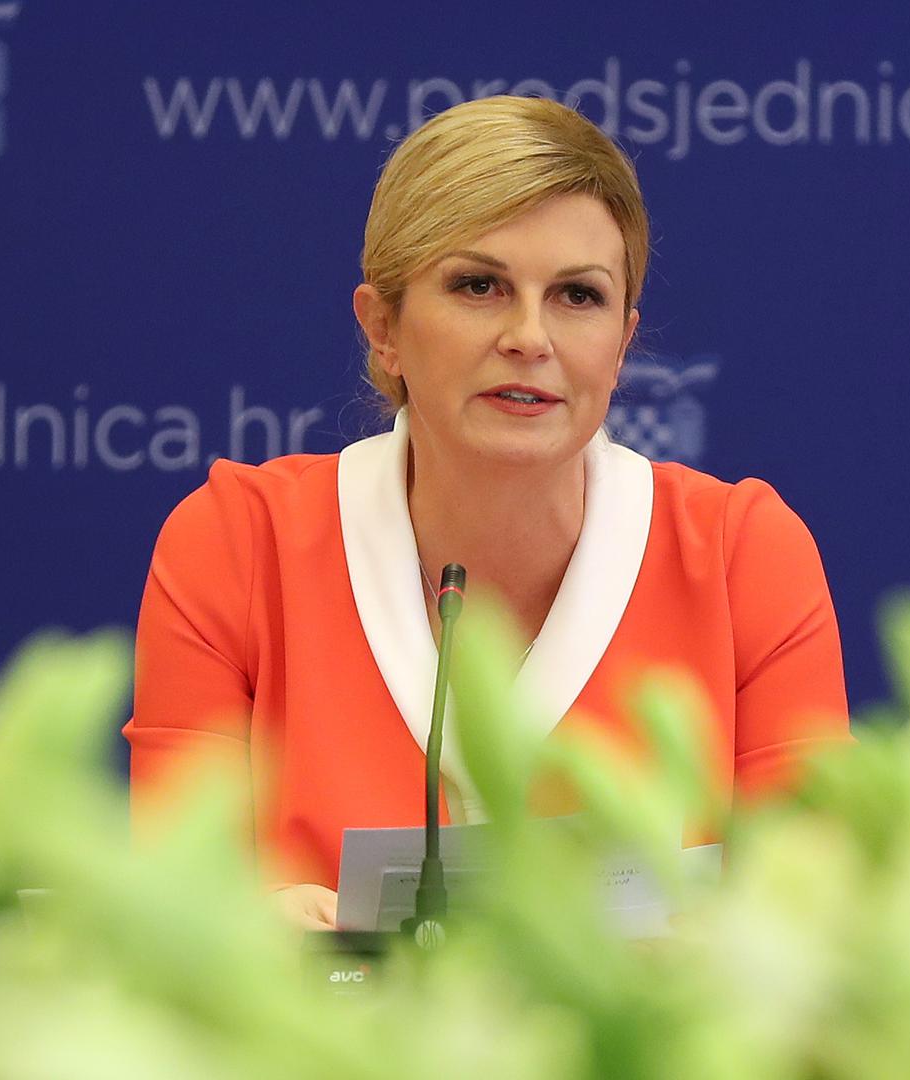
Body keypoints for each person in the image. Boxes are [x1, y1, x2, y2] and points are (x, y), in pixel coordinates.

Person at [124, 96, 849, 930]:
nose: (529, 337)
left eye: (577, 296)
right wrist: (247, 929)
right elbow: (171, 909)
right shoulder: (237, 544)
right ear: (384, 326)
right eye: (479, 286)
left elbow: (812, 921)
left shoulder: (742, 556)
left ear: (622, 344)